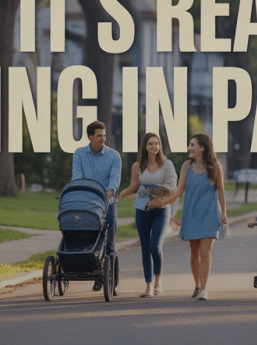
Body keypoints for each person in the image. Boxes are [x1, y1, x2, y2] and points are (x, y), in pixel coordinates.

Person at [148, 133, 227, 301]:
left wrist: (225, 213)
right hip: (191, 213)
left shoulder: (215, 165)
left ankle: (204, 290)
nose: (189, 148)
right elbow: (178, 192)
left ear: (202, 147)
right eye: (189, 144)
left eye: (192, 145)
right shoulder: (186, 165)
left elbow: (221, 191)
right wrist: (160, 203)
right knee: (194, 252)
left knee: (205, 252)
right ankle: (197, 285)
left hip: (210, 214)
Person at [118, 133, 177, 297]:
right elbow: (134, 186)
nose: (154, 146)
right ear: (145, 146)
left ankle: (159, 282)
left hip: (161, 209)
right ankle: (149, 286)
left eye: (156, 143)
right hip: (142, 209)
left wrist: (156, 197)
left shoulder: (167, 164)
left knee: (155, 247)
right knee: (145, 248)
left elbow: (171, 186)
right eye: (150, 143)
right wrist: (120, 195)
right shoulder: (138, 166)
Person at [71, 121, 121, 290]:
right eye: (99, 136)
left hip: (107, 203)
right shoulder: (79, 154)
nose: (102, 139)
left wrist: (109, 194)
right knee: (87, 237)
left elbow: (114, 179)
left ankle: (111, 281)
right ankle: (93, 268)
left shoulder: (114, 156)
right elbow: (76, 177)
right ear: (90, 137)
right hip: (86, 202)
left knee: (109, 242)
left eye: (104, 135)